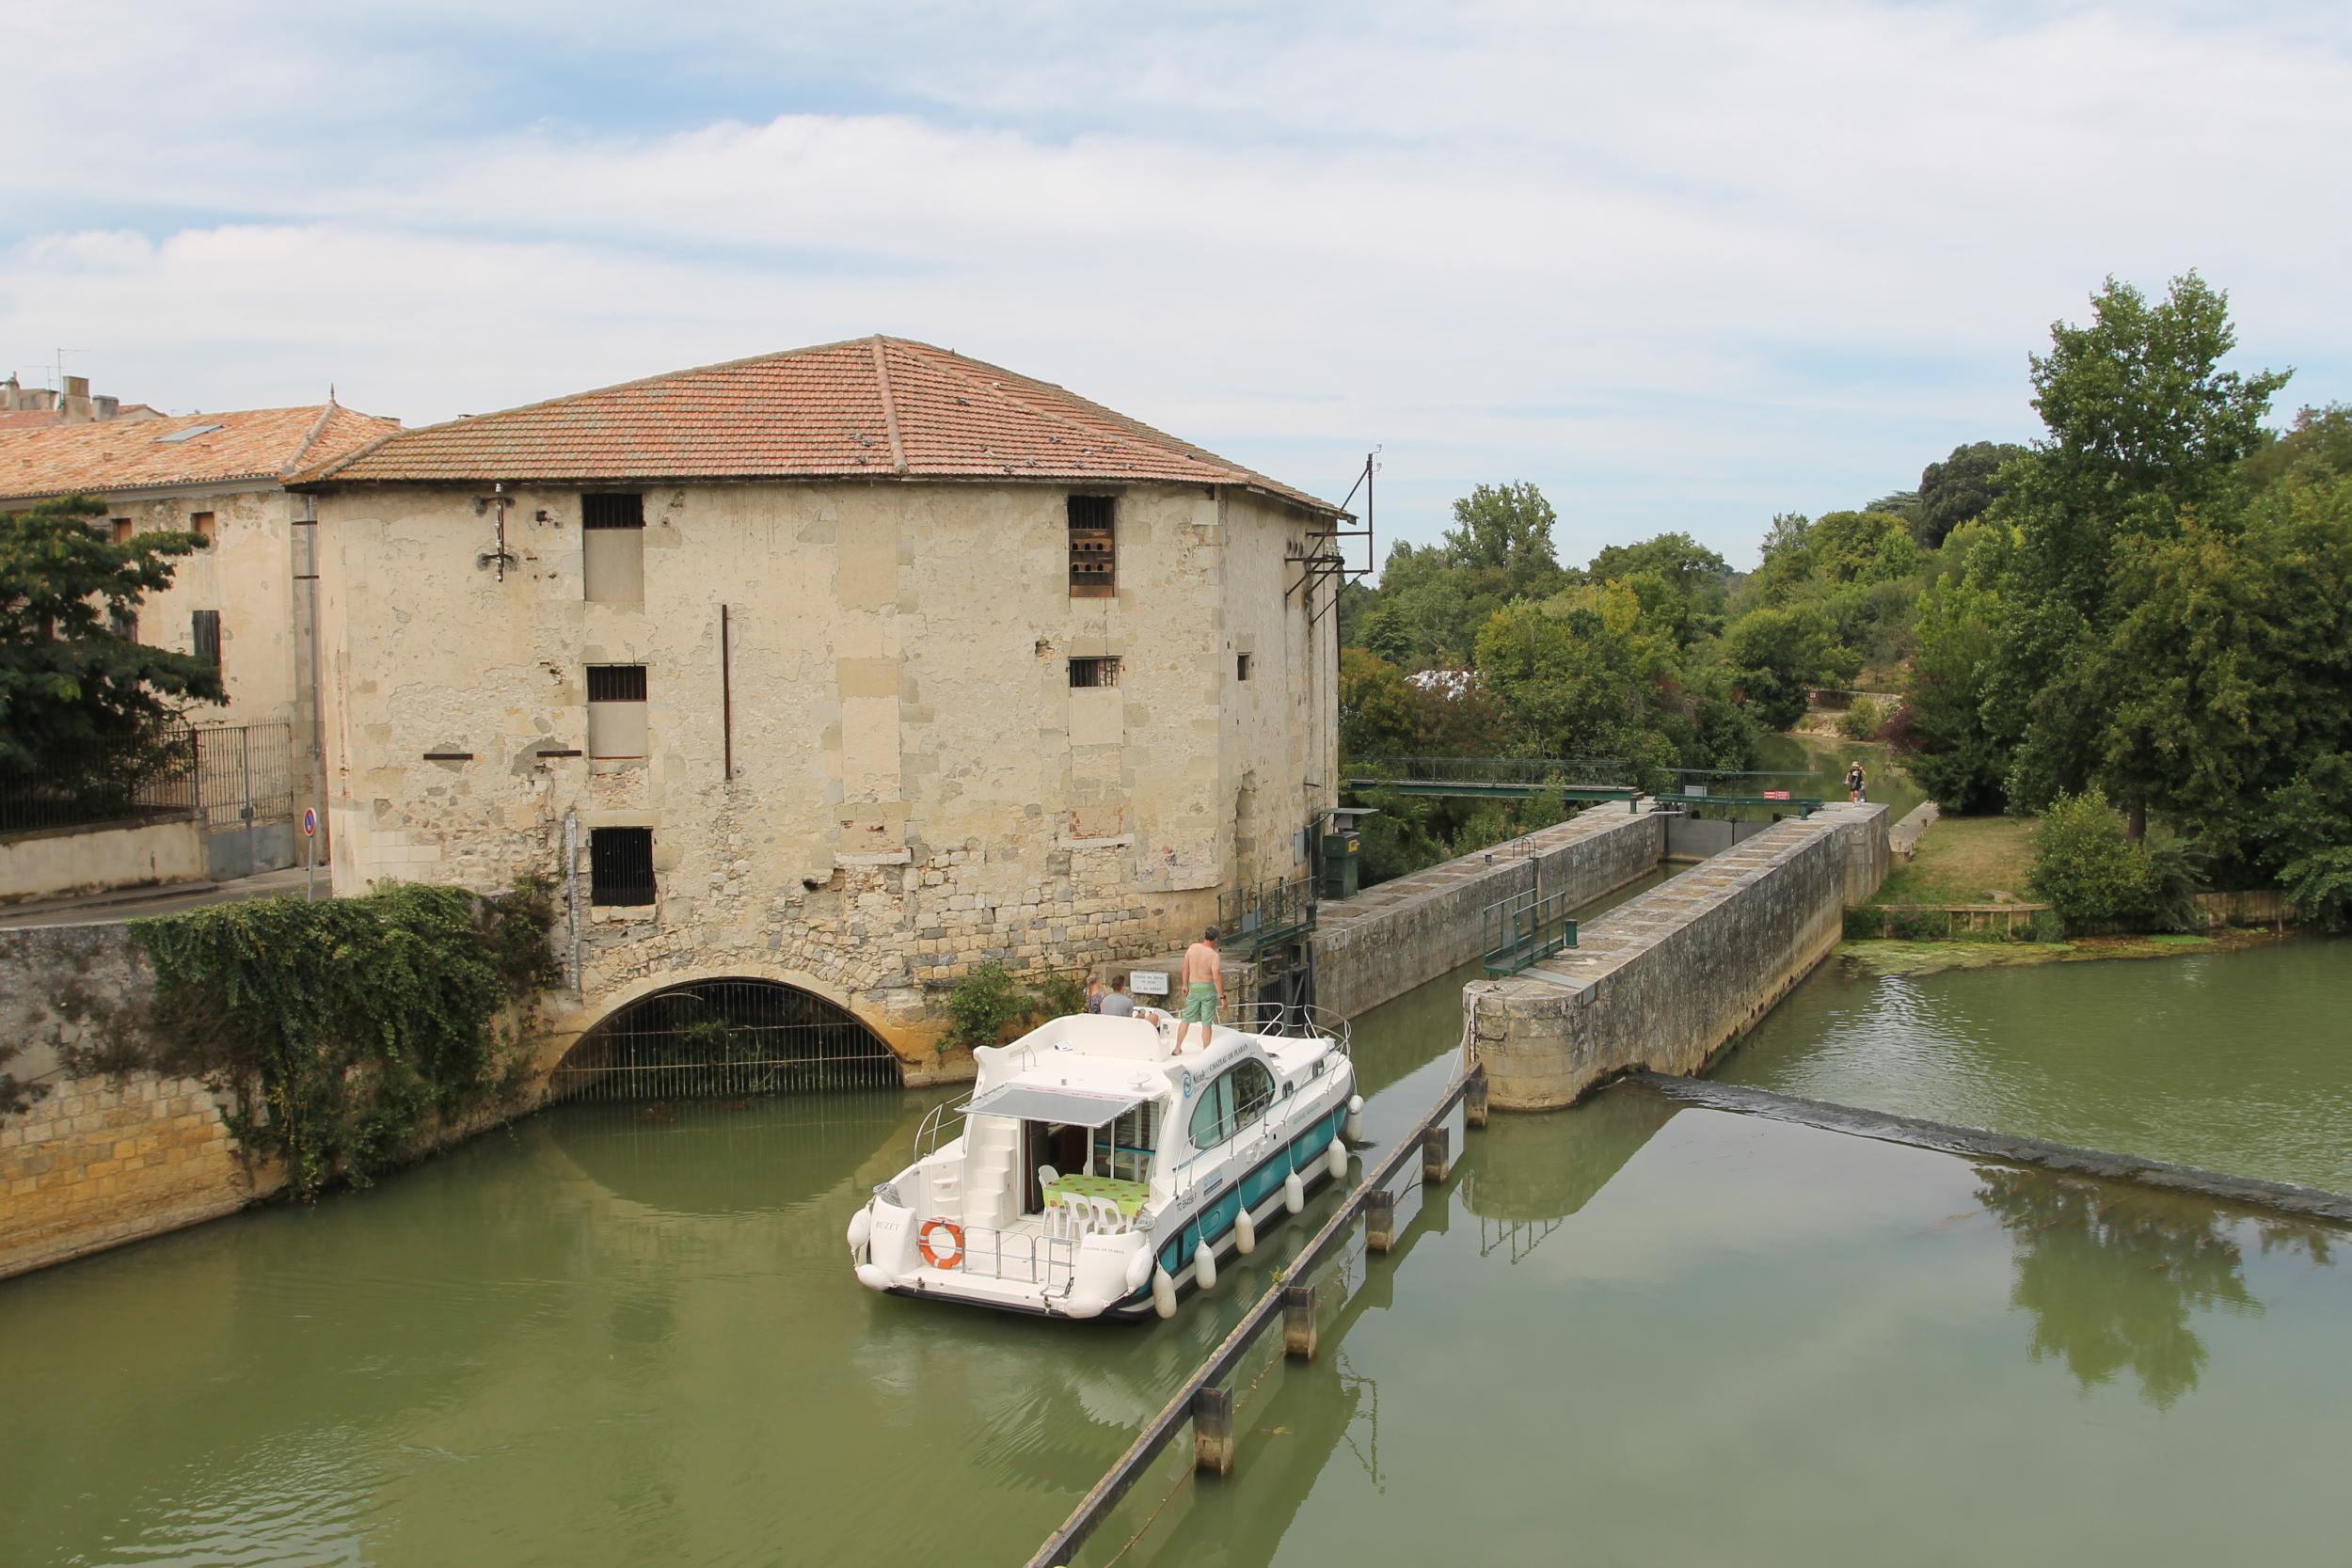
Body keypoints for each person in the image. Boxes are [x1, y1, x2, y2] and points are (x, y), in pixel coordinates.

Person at [1171, 927, 1224, 1054]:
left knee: (1186, 1019)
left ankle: (1177, 1048)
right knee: (1206, 1023)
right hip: (1207, 989)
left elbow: (1185, 968)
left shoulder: (1192, 948)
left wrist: (1185, 985)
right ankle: (1206, 1051)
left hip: (1193, 987)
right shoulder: (1214, 955)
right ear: (1216, 939)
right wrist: (1222, 996)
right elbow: (1216, 977)